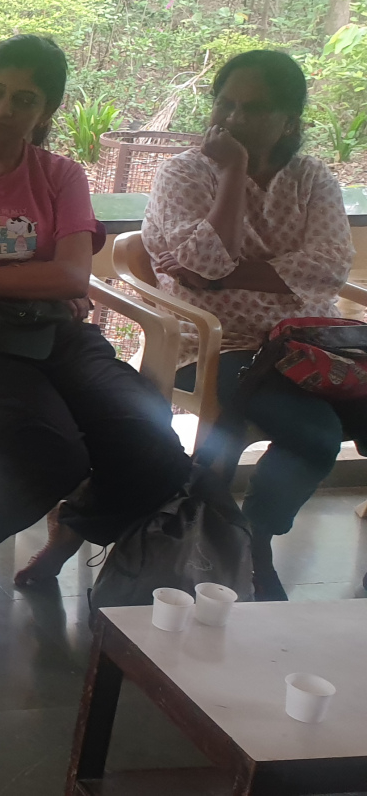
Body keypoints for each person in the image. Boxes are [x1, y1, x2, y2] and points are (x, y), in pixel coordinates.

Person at [0, 35, 195, 595]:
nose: (4, 109)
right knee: (51, 455)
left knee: (151, 441)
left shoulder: (61, 176)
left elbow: (73, 277)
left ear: (47, 111)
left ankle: (72, 527)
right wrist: (37, 277)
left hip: (56, 334)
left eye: (24, 99)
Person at [142, 50, 359, 601]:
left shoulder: (312, 179)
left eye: (255, 109)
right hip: (219, 347)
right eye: (226, 104)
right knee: (316, 435)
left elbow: (331, 265)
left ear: (289, 121)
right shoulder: (184, 173)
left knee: (326, 429)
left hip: (311, 345)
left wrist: (227, 275)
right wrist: (234, 172)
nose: (234, 119)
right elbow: (202, 263)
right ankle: (255, 540)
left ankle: (249, 531)